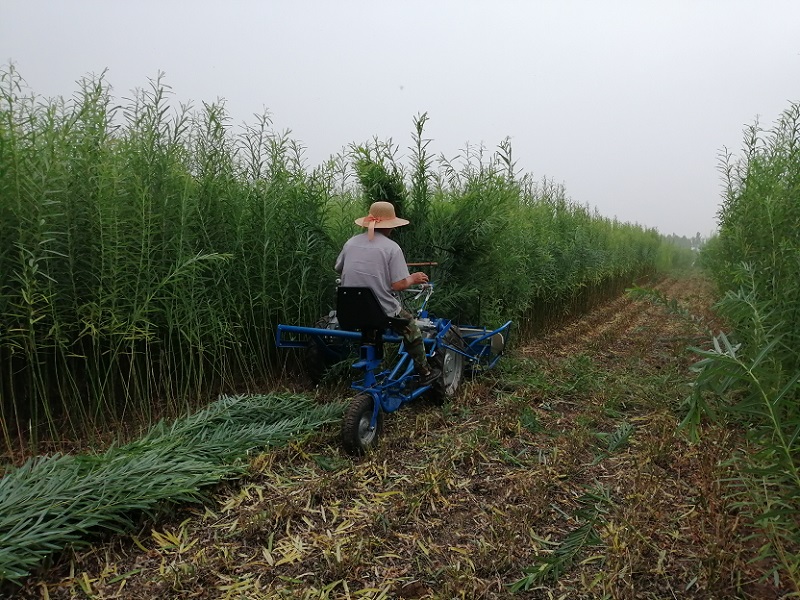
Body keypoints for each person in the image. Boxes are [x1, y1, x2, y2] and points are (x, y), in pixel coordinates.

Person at [334, 201, 441, 386]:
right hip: (380, 310)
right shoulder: (392, 248)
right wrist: (413, 278)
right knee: (411, 327)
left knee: (368, 320)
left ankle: (370, 354)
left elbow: (338, 268)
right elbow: (398, 285)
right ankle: (424, 371)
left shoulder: (350, 243)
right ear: (390, 226)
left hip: (349, 309)